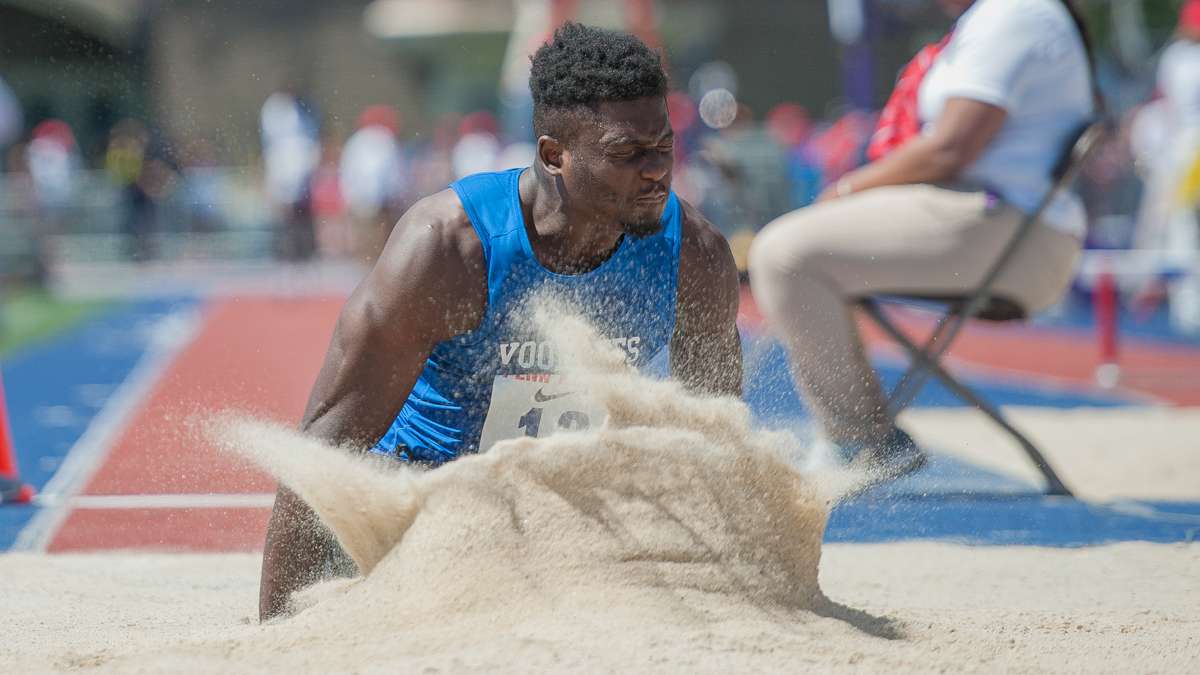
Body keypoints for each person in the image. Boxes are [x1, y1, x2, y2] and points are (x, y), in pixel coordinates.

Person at [259, 22, 743, 621]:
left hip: (563, 511)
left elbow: (719, 454)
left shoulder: (694, 254)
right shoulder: (447, 250)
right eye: (626, 153)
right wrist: (277, 637)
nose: (655, 171)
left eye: (662, 146)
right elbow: (325, 452)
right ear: (553, 155)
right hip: (419, 502)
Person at [748, 0, 1095, 480]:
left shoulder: (1015, 11)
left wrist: (845, 191)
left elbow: (951, 147)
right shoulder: (1001, 15)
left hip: (1009, 232)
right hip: (998, 224)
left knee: (784, 253)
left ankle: (861, 443)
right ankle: (863, 437)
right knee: (792, 247)